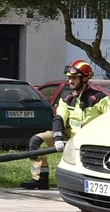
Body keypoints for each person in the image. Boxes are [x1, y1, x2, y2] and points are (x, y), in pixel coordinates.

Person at [20, 59, 110, 189]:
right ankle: (40, 180)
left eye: (74, 78)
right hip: (69, 138)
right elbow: (59, 119)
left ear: (85, 79)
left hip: (90, 141)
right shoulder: (67, 99)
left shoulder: (100, 98)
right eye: (69, 78)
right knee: (36, 141)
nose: (70, 81)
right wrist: (57, 138)